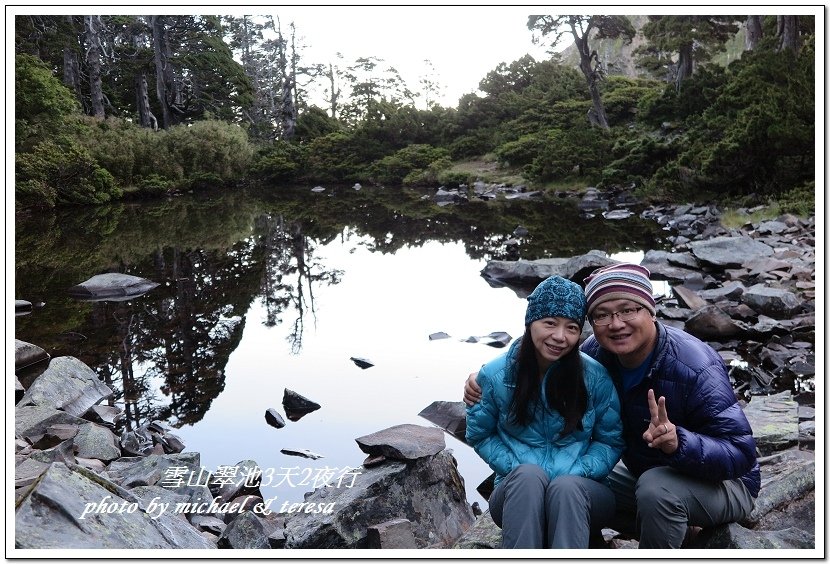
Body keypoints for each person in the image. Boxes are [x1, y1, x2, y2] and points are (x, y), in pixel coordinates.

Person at [464, 263, 760, 549]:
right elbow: (548, 349)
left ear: (651, 311)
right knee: (570, 487)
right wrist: (484, 376)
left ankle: (675, 526)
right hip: (645, 472)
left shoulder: (694, 365)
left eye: (628, 310)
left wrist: (679, 442)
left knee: (656, 490)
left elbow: (742, 453)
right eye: (602, 315)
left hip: (723, 482)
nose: (616, 324)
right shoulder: (596, 355)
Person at [465, 275, 624, 549]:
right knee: (528, 478)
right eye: (549, 323)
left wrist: (577, 471)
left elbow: (610, 440)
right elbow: (480, 435)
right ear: (530, 323)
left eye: (572, 327)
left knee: (565, 488)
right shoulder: (494, 375)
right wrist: (516, 468)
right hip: (518, 494)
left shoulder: (594, 377)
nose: (560, 337)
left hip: (583, 492)